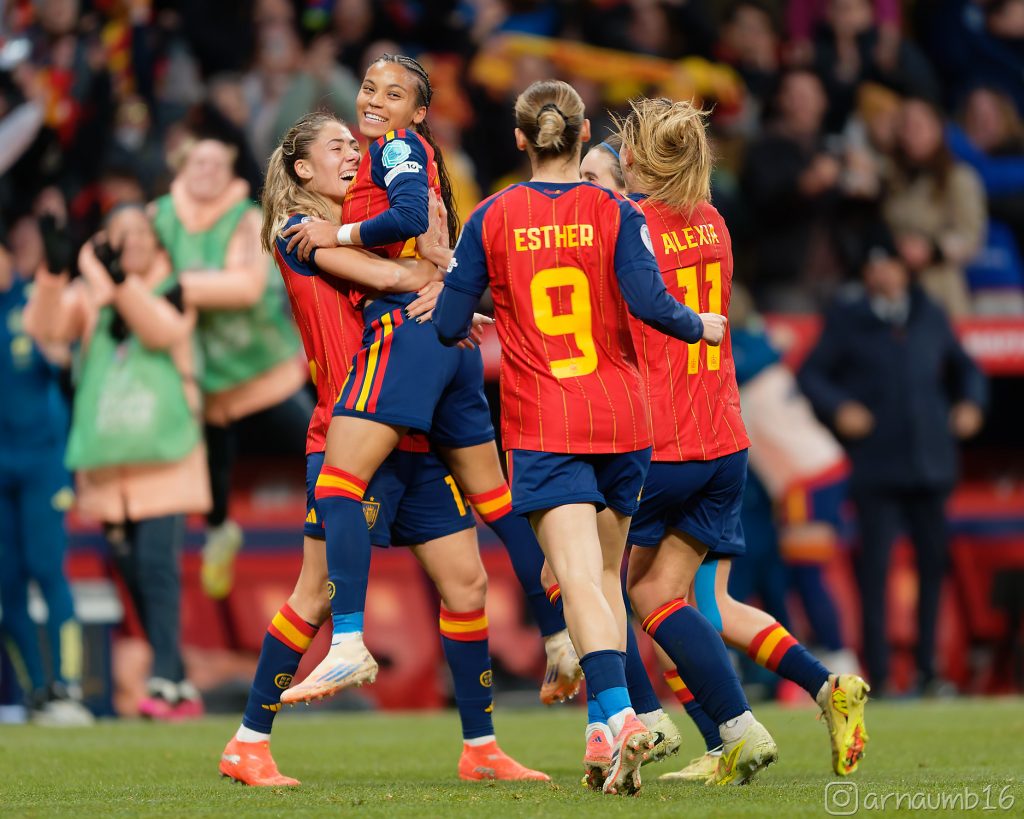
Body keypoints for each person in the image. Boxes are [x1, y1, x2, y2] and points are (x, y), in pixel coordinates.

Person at [218, 111, 546, 786]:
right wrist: (438, 278)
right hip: (348, 427)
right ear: (302, 169)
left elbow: (425, 268)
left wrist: (436, 260)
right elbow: (400, 282)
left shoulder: (365, 233)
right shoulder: (297, 231)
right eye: (336, 146)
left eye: (353, 144)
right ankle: (248, 741)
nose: (353, 155)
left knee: (467, 582)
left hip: (415, 434)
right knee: (312, 594)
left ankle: (480, 746)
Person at [433, 79, 726, 796]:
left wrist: (474, 301)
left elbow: (445, 324)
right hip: (624, 419)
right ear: (583, 128)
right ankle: (602, 730)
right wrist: (703, 325)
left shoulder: (494, 216)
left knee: (576, 581)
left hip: (547, 422)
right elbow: (652, 302)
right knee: (603, 580)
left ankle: (623, 715)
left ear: (519, 139)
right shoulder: (616, 209)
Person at [278, 55, 581, 708]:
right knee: (496, 503)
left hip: (405, 337)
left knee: (337, 479)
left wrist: (345, 232)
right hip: (450, 343)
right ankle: (561, 637)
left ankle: (351, 639)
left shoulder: (395, 149)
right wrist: (448, 283)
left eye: (394, 94)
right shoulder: (411, 155)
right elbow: (436, 236)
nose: (374, 101)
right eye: (368, 88)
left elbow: (410, 220)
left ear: (418, 112)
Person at [619, 97, 870, 784]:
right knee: (706, 603)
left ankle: (699, 727)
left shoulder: (630, 224)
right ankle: (826, 686)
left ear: (634, 156)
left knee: (614, 590)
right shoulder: (715, 224)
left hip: (662, 440)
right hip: (724, 439)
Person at [23, 204, 211, 719]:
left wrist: (119, 281)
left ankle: (165, 676)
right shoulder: (90, 296)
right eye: (118, 234)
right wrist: (53, 273)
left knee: (157, 565)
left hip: (166, 455)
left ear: (156, 242)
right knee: (130, 571)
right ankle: (175, 675)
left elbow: (159, 330)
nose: (129, 241)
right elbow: (45, 328)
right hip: (111, 460)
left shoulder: (177, 286)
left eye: (138, 233)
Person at [798, 222, 988, 696]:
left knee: (931, 568)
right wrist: (840, 407)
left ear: (904, 269)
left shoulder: (929, 311)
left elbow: (968, 369)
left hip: (930, 463)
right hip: (877, 465)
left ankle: (929, 669)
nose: (883, 274)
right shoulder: (849, 317)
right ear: (865, 273)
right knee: (874, 572)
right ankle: (879, 675)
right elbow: (811, 375)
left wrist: (971, 404)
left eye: (891, 264)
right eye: (875, 265)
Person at [151, 135, 310, 601]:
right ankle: (218, 534)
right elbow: (144, 274)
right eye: (198, 162)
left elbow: (245, 286)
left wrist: (180, 287)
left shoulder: (246, 219)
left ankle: (363, 505)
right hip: (200, 378)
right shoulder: (158, 217)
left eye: (217, 163)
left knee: (314, 440)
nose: (207, 171)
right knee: (211, 479)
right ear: (182, 167)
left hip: (261, 369)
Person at [0, 227, 90, 726]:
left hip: (41, 463)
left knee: (47, 569)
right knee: (7, 585)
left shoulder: (32, 304)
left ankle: (67, 686)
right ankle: (36, 691)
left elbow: (59, 354)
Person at [882, 97, 986, 317]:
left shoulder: (958, 178)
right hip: (892, 288)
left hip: (939, 287)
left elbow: (970, 237)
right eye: (905, 126)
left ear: (937, 128)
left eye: (918, 125)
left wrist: (932, 250)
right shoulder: (893, 179)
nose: (911, 133)